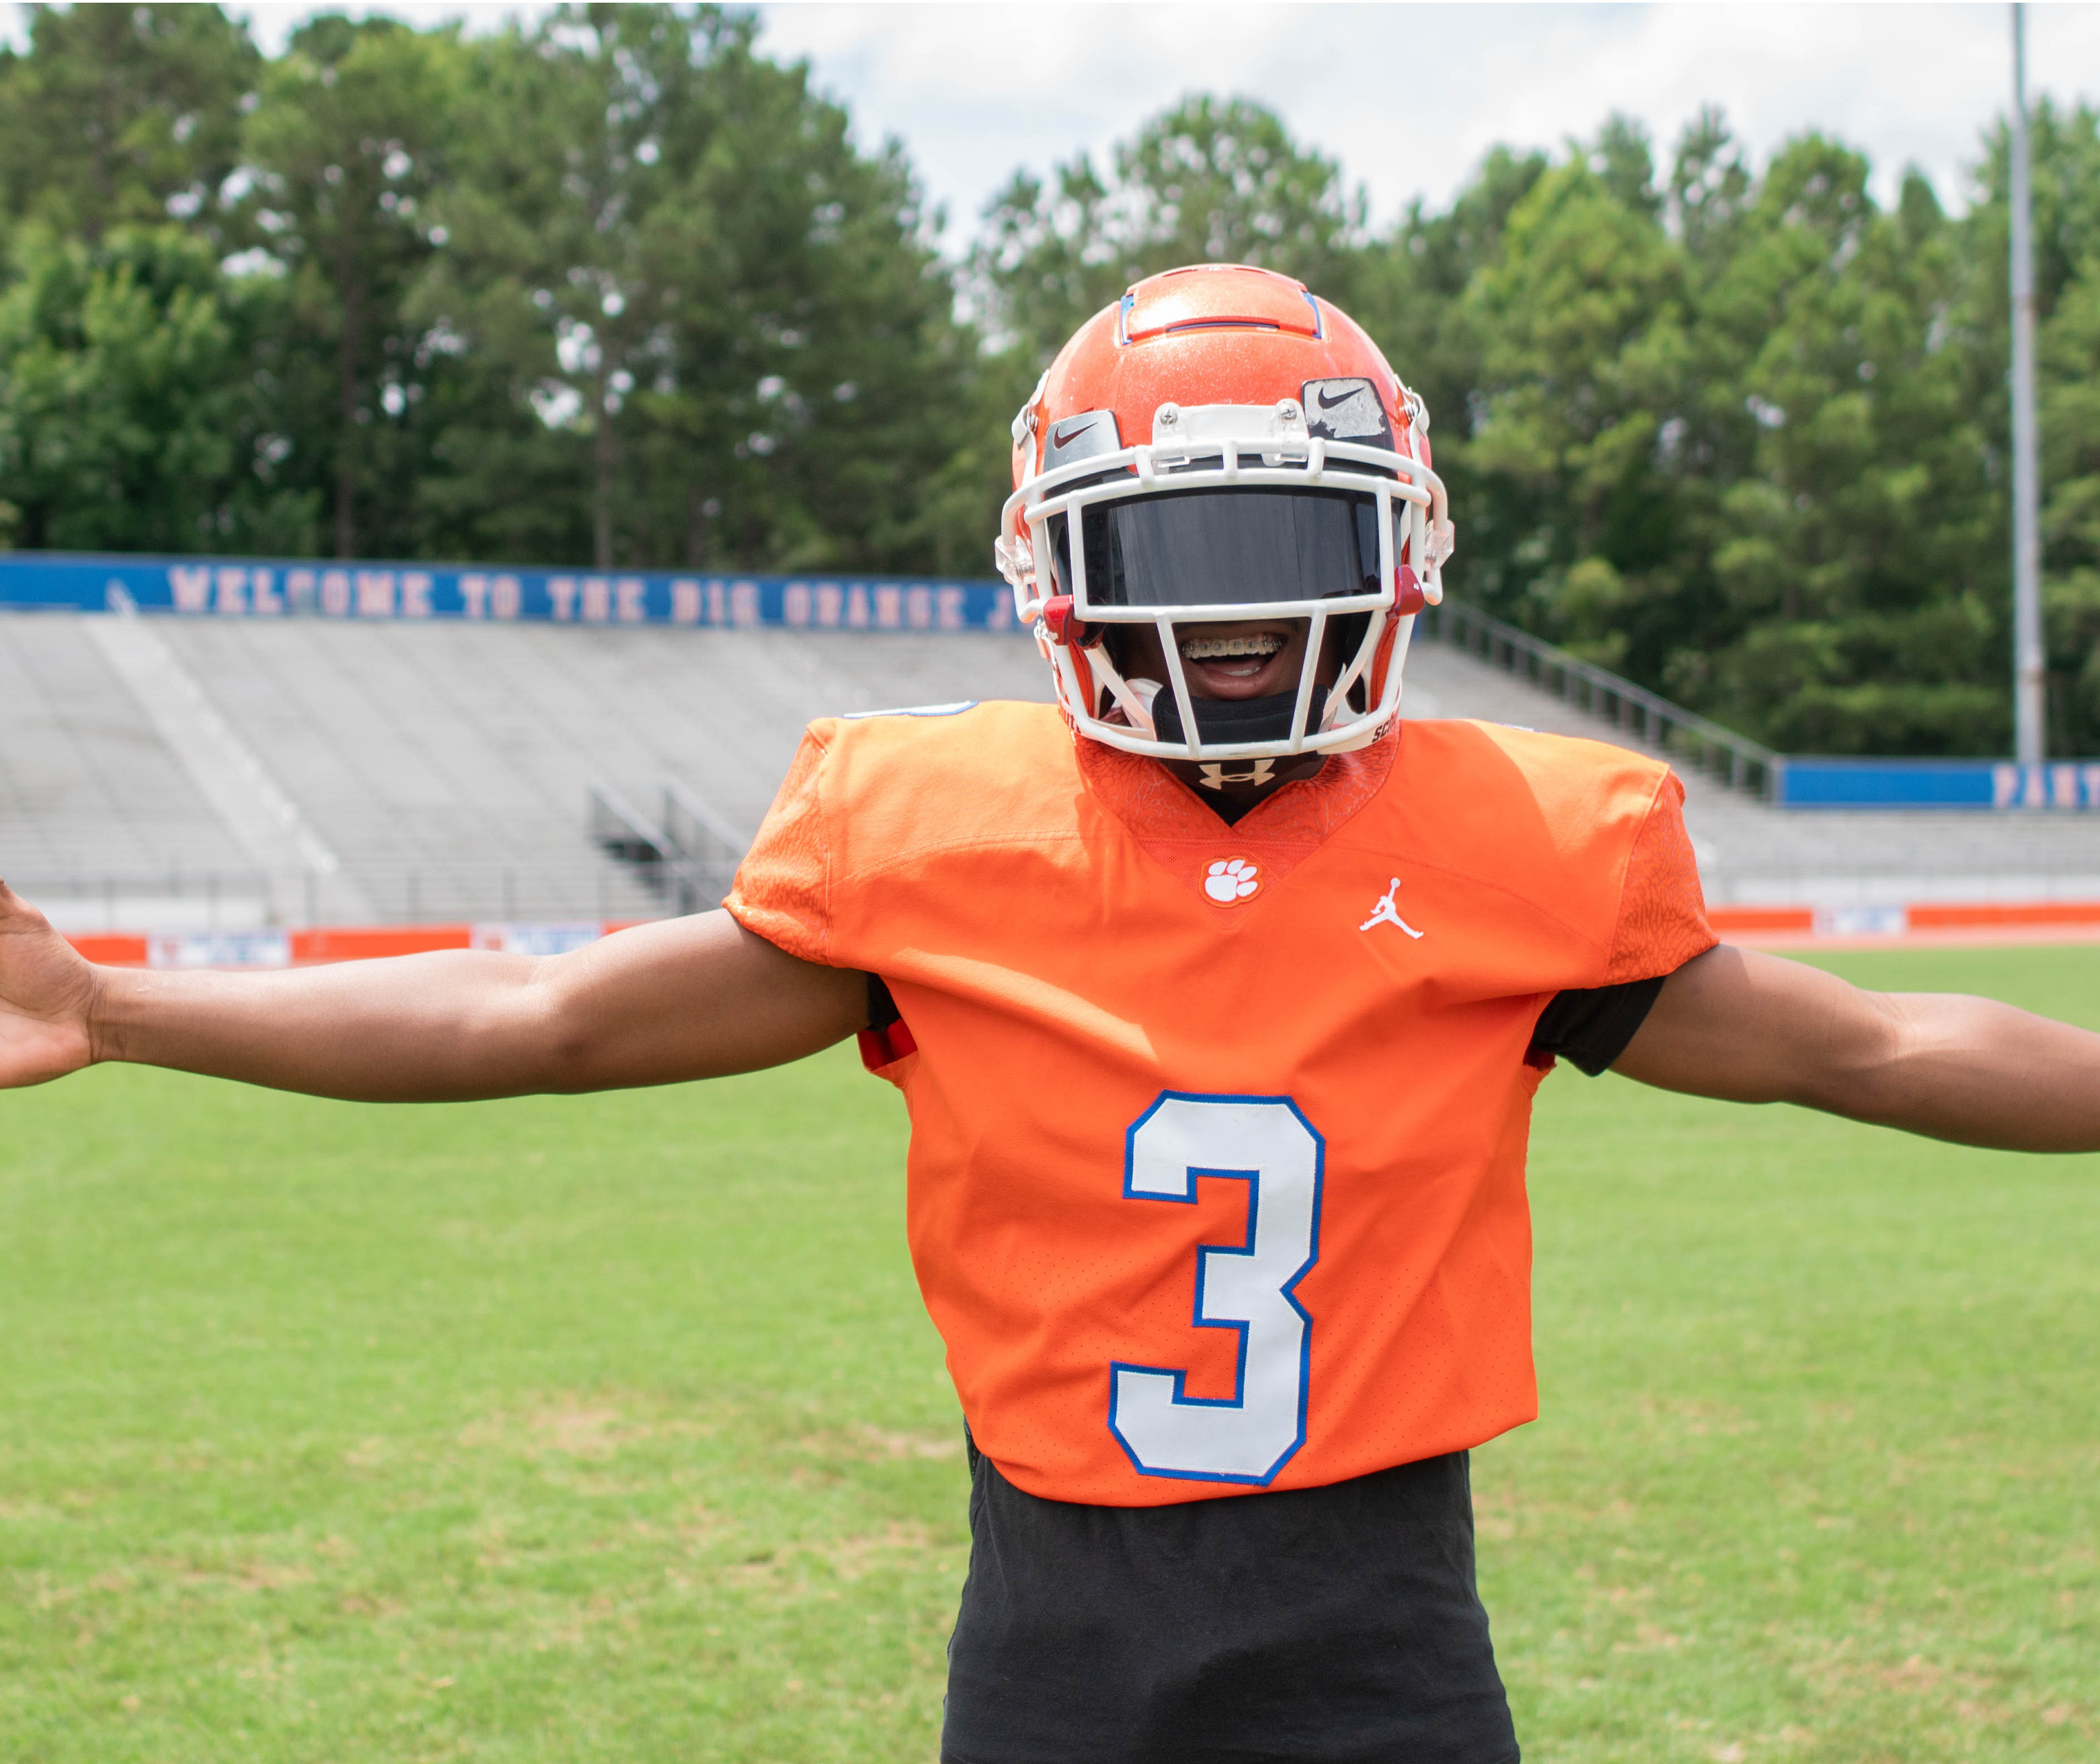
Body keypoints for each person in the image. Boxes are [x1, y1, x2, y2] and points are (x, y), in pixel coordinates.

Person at [1, 263, 2096, 1764]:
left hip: (1377, 1625)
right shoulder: (935, 838)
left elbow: (1873, 1047)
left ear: (1399, 552)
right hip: (1055, 1636)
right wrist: (110, 1001)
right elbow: (533, 1019)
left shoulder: (1513, 844)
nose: (1245, 613)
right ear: (1058, 567)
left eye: (1292, 547)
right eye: (1185, 549)